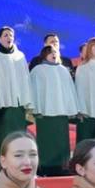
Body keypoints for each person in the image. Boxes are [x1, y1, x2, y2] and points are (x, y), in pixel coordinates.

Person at [0, 27, 33, 175]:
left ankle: (20, 168)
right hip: (0, 105)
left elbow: (25, 80)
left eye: (11, 35)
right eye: (5, 35)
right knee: (0, 140)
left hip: (17, 106)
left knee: (18, 139)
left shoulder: (20, 56)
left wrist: (26, 101)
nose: (8, 37)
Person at [29, 44, 80, 176]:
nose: (54, 54)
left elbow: (70, 91)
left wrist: (71, 109)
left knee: (61, 140)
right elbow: (35, 91)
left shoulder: (63, 70)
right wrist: (36, 109)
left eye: (56, 52)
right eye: (50, 52)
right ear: (44, 54)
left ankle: (63, 166)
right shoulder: (38, 70)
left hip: (61, 112)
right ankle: (45, 166)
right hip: (45, 113)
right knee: (47, 141)